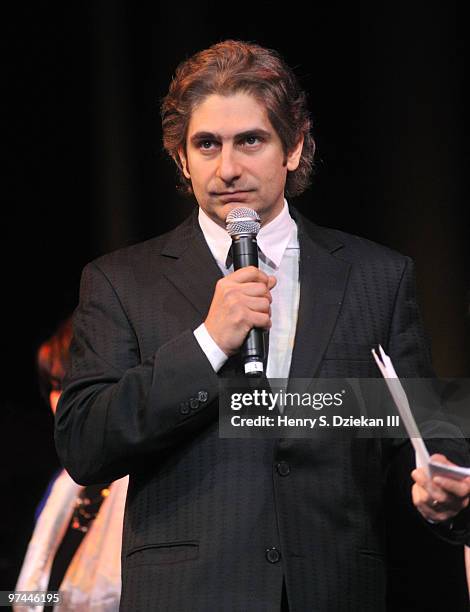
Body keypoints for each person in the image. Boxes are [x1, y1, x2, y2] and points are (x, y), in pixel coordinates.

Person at [55, 40, 470, 611]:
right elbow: (84, 442)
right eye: (206, 145)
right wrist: (207, 343)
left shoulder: (377, 275)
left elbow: (413, 423)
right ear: (182, 159)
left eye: (250, 140)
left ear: (294, 147)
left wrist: (443, 477)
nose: (228, 168)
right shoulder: (122, 281)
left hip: (337, 590)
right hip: (189, 595)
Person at [15, 318, 128, 612]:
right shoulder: (67, 483)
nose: (57, 401)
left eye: (66, 385)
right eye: (52, 387)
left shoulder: (140, 476)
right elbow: (42, 593)